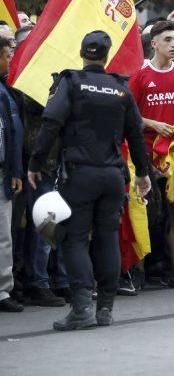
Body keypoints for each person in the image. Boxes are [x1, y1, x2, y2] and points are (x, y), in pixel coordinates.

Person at [27, 31, 151, 329]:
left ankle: (82, 308)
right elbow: (135, 134)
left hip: (80, 173)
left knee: (75, 239)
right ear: (107, 56)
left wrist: (35, 163)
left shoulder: (70, 82)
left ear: (82, 53)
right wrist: (144, 174)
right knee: (108, 237)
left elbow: (51, 123)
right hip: (112, 175)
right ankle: (105, 309)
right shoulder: (120, 88)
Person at [129, 21, 174, 289]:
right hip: (146, 154)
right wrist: (151, 124)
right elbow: (130, 114)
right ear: (154, 43)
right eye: (168, 39)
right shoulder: (140, 75)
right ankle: (138, 271)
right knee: (144, 211)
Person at [0, 37, 22, 313]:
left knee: (3, 234)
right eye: (6, 56)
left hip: (3, 171)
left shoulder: (6, 91)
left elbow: (12, 134)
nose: (9, 62)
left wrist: (15, 169)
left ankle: (3, 290)